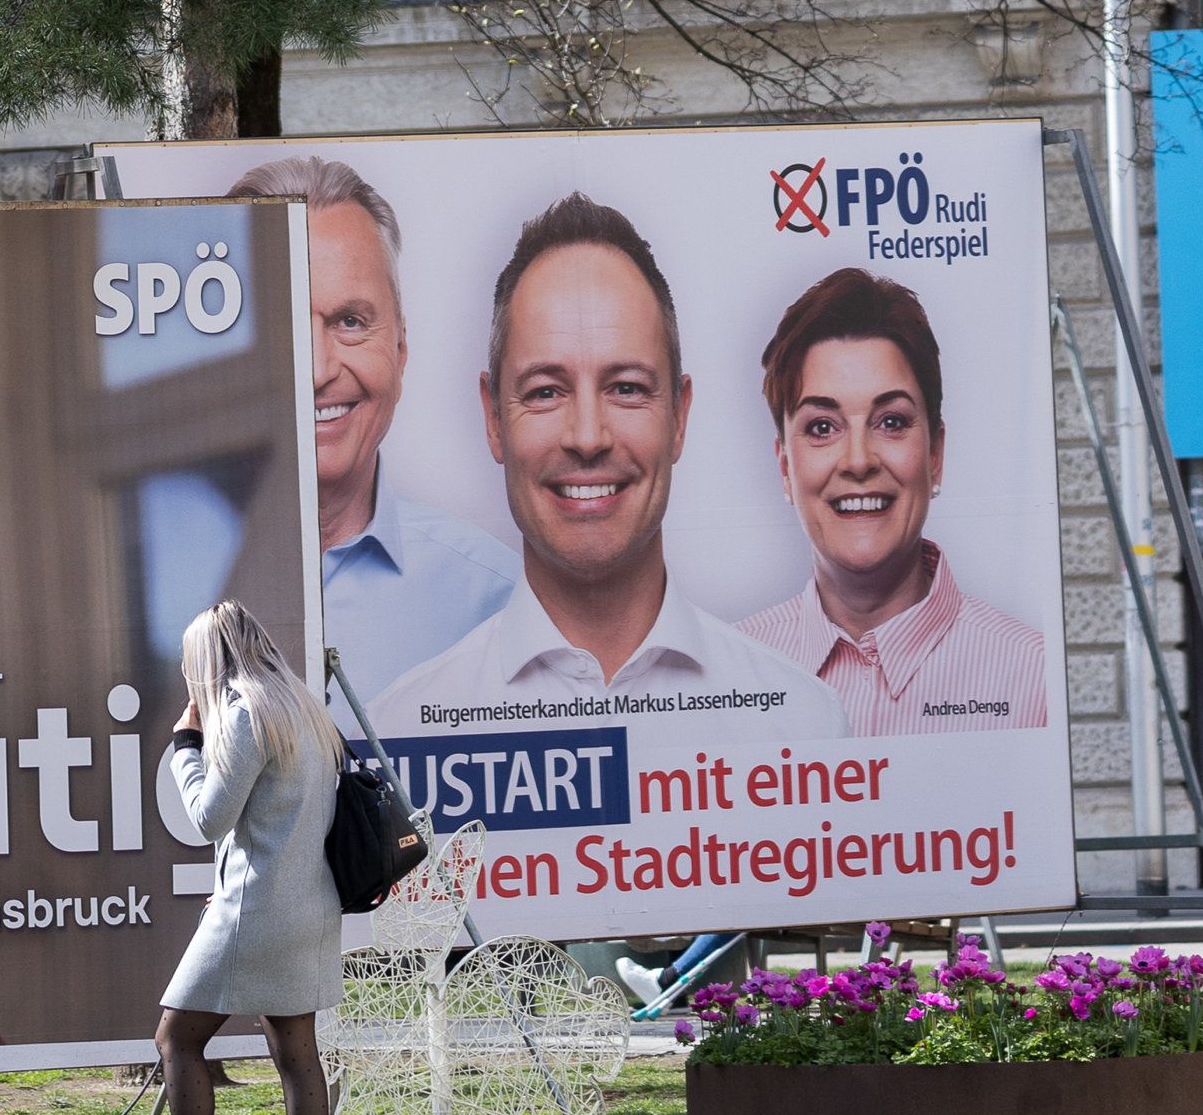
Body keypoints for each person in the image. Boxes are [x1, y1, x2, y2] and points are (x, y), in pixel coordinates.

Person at [373, 195, 846, 740]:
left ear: (679, 417)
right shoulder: (400, 736)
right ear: (494, 418)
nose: (588, 437)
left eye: (626, 388)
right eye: (545, 391)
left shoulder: (803, 724)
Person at [230, 156, 518, 711]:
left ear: (401, 349)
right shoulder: (132, 600)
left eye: (350, 322)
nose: (317, 370)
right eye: (280, 322)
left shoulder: (497, 603)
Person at [736, 268, 1048, 734]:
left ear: (935, 455)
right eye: (822, 427)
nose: (858, 460)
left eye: (891, 422)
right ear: (785, 468)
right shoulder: (728, 679)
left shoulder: (1034, 677)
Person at [116, 601, 341, 1115]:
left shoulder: (246, 713)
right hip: (310, 907)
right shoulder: (304, 709)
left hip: (256, 911)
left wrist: (184, 747)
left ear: (208, 662)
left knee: (176, 1038)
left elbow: (208, 818)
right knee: (297, 1054)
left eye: (191, 665)